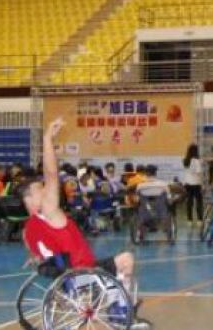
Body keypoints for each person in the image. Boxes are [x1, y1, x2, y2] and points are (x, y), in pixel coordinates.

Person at [20, 118, 140, 312]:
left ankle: (114, 301)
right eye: (40, 189)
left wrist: (38, 258)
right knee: (127, 259)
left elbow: (38, 256)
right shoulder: (48, 211)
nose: (45, 189)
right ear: (30, 198)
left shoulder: (28, 230)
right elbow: (51, 173)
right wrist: (48, 138)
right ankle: (119, 308)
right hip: (82, 273)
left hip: (69, 275)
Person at [182, 143, 203, 226]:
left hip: (187, 183)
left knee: (189, 202)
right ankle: (199, 220)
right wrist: (202, 184)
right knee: (198, 202)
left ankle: (189, 220)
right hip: (196, 183)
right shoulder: (196, 161)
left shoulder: (185, 160)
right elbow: (199, 173)